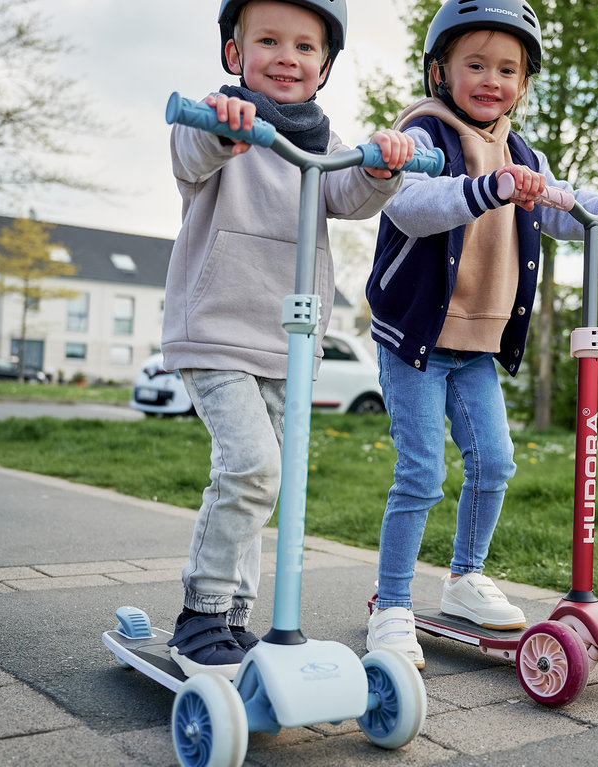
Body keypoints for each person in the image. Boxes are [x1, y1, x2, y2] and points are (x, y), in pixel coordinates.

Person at [364, 0, 598, 670]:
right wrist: (488, 187)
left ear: (524, 82)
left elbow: (566, 207)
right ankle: (390, 605)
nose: (492, 79)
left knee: (495, 463)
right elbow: (411, 206)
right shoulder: (424, 131)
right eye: (475, 64)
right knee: (421, 471)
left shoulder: (522, 148)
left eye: (508, 68)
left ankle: (464, 575)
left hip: (476, 343)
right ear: (441, 68)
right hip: (414, 335)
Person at [161, 0, 415, 680]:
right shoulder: (220, 118)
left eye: (305, 47)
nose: (287, 56)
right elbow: (190, 154)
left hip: (287, 342)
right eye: (268, 40)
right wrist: (221, 126)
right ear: (234, 54)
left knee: (265, 480)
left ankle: (233, 620)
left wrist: (383, 165)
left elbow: (353, 196)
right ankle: (203, 613)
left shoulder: (323, 144)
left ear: (324, 67)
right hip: (215, 331)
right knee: (251, 467)